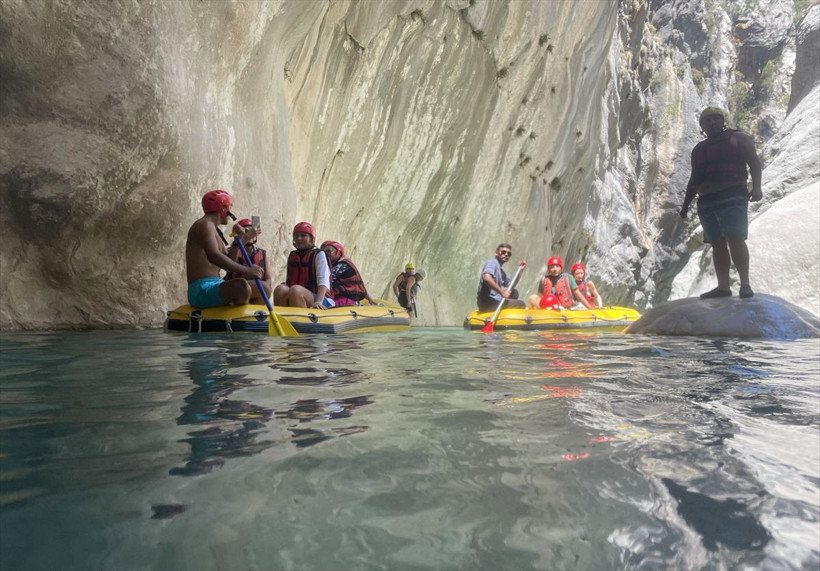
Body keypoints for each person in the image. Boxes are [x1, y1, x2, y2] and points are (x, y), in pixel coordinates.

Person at [680, 106, 763, 299]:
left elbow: (754, 162)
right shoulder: (699, 150)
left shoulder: (738, 138)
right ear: (702, 127)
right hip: (707, 201)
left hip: (733, 194)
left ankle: (745, 284)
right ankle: (723, 287)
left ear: (722, 121)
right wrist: (685, 206)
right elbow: (694, 180)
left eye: (716, 119)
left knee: (735, 238)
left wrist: (757, 187)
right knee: (717, 244)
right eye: (708, 120)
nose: (713, 122)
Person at [185, 190, 263, 308]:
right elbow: (214, 256)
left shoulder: (212, 229)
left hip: (216, 284)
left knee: (263, 288)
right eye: (230, 207)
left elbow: (229, 258)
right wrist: (246, 270)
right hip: (201, 290)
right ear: (223, 209)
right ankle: (238, 317)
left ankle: (250, 317)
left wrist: (243, 239)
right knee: (241, 286)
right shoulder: (205, 225)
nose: (230, 212)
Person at [273, 222, 335, 309]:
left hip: (321, 298)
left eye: (303, 235)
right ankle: (283, 318)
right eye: (296, 235)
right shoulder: (293, 255)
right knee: (280, 289)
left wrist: (319, 301)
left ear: (311, 239)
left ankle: (300, 320)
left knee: (296, 290)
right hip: (297, 293)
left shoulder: (319, 254)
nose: (299, 238)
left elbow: (323, 280)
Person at [224, 218, 272, 304]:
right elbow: (229, 266)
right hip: (237, 289)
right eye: (246, 232)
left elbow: (268, 276)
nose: (249, 235)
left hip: (257, 292)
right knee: (263, 287)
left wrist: (266, 286)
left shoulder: (263, 253)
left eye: (251, 233)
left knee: (265, 287)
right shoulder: (232, 250)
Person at [320, 240, 379, 306]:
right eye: (323, 252)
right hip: (342, 301)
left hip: (342, 302)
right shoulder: (336, 266)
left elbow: (323, 282)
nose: (324, 254)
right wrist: (371, 300)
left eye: (328, 251)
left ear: (338, 254)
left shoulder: (341, 266)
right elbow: (359, 287)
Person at [528, 256, 594, 310]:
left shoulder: (568, 277)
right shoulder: (544, 280)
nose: (555, 269)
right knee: (532, 297)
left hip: (564, 308)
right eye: (552, 267)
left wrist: (589, 307)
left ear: (561, 268)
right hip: (549, 307)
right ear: (548, 269)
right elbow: (540, 295)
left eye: (557, 266)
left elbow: (577, 294)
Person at [476, 243, 526, 312]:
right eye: (503, 252)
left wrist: (520, 270)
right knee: (521, 304)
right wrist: (502, 292)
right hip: (487, 303)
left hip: (495, 301)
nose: (506, 254)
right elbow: (486, 277)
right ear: (496, 253)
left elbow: (511, 285)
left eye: (508, 254)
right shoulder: (492, 263)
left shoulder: (501, 272)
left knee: (514, 293)